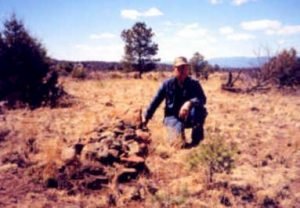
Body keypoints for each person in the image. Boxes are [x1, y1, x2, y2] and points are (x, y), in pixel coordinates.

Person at [143, 56, 207, 148]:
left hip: (189, 116)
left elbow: (202, 99)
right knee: (177, 143)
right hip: (172, 117)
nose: (182, 70)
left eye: (184, 68)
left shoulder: (194, 83)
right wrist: (146, 118)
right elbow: (155, 102)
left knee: (199, 110)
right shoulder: (167, 84)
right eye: (179, 68)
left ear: (188, 69)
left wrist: (189, 103)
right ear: (174, 69)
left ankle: (196, 141)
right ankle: (179, 136)